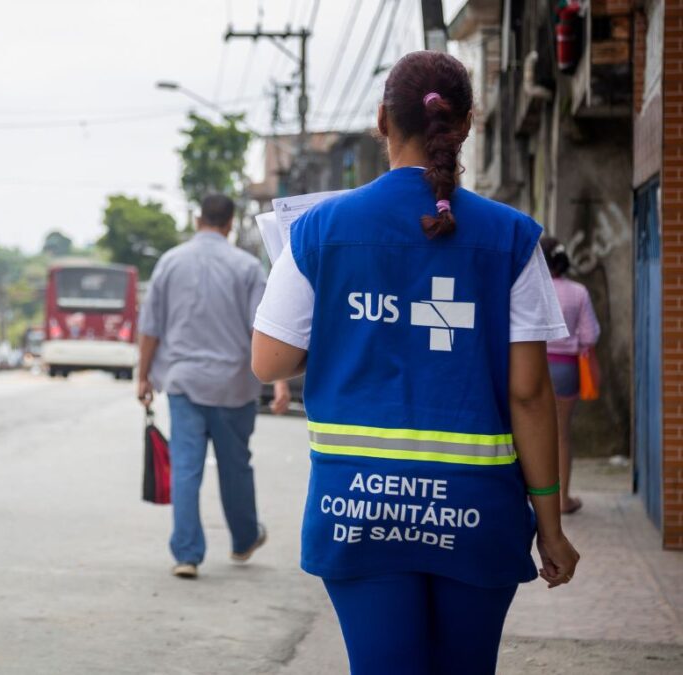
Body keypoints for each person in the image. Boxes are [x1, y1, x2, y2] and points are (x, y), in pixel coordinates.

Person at [250, 51, 579, 675]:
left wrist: (351, 317)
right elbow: (531, 396)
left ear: (382, 120)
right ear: (466, 125)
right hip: (478, 509)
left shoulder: (318, 231)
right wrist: (551, 525)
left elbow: (269, 362)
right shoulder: (512, 237)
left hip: (356, 506)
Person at [137, 193, 288, 579]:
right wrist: (281, 382)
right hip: (234, 386)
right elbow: (264, 329)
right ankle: (243, 541)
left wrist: (143, 375)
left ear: (198, 219)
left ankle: (187, 554)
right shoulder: (247, 267)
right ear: (230, 224)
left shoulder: (170, 263)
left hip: (183, 382)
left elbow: (150, 328)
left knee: (186, 468)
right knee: (235, 466)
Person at [542, 237, 601, 515]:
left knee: (529, 431)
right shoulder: (578, 292)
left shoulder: (532, 289)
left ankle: (531, 498)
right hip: (567, 369)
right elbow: (589, 336)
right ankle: (563, 499)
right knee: (562, 434)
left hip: (533, 367)